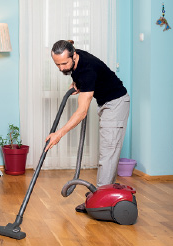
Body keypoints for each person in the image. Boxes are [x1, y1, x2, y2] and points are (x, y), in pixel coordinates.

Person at [45, 40, 130, 213]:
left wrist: (59, 134)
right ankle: (100, 199)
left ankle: (100, 203)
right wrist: (76, 83)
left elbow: (82, 112)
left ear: (73, 55)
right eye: (57, 64)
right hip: (105, 103)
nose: (61, 68)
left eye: (64, 64)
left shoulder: (87, 70)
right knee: (108, 154)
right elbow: (75, 65)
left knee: (107, 155)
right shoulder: (75, 57)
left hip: (115, 105)